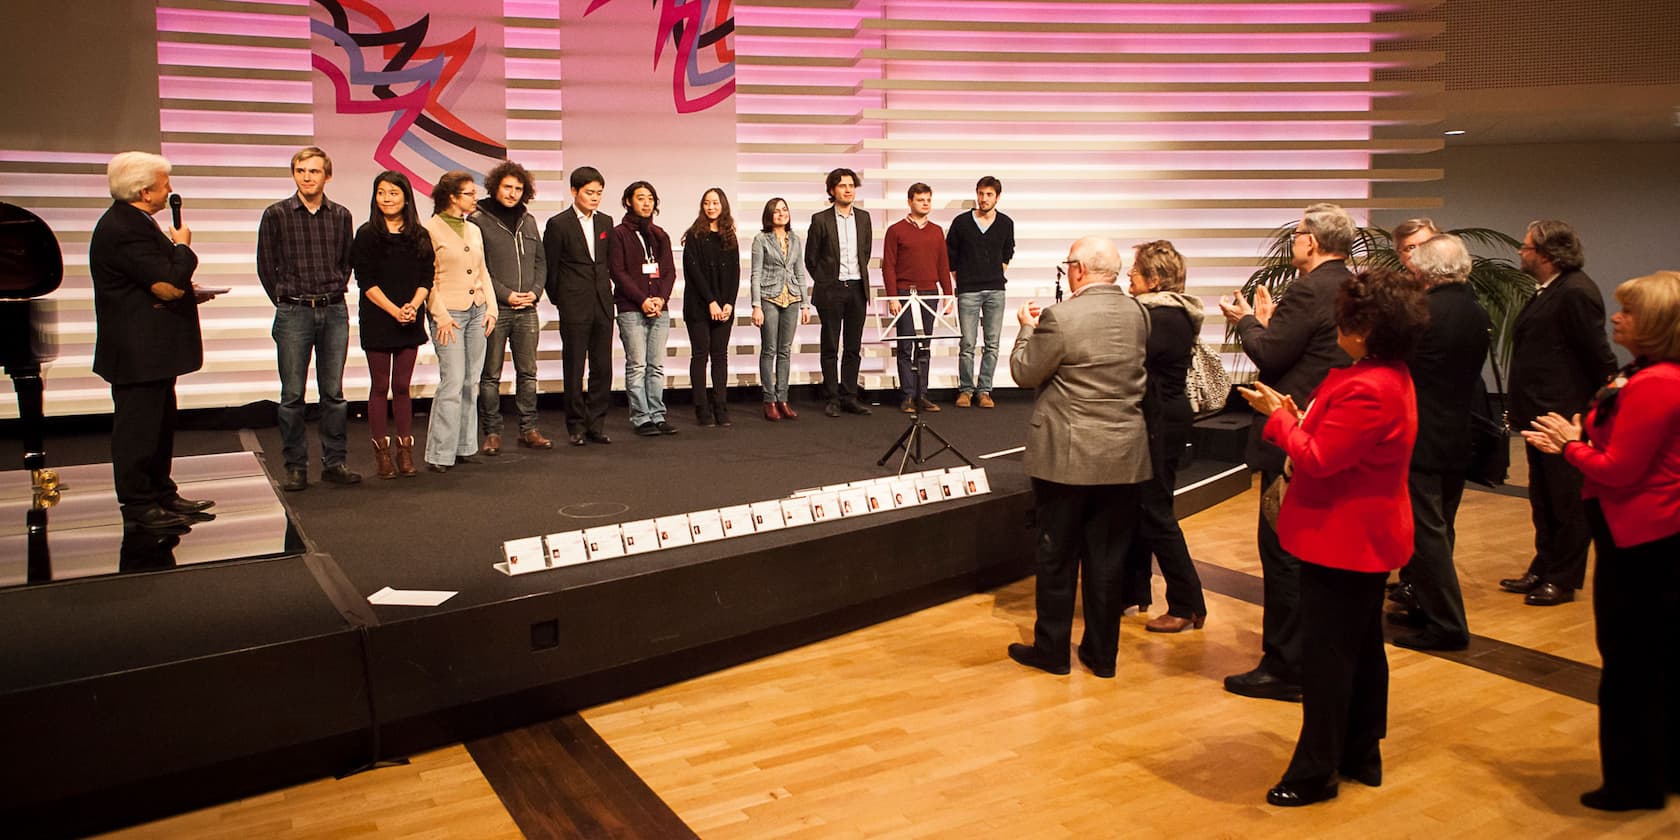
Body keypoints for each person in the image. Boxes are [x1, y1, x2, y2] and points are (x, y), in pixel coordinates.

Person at [1238, 267, 1426, 808]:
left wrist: (1279, 421)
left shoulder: (1369, 385)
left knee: (1329, 659)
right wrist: (1299, 418)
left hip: (1344, 538)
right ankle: (1361, 751)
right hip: (1357, 534)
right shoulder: (1380, 374)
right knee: (1361, 648)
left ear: (1364, 328)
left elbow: (1319, 460)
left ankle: (1317, 769)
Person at [1522, 270, 1680, 813]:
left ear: (1657, 326)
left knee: (1632, 663)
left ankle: (1633, 783)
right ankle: (1661, 768)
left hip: (1643, 538)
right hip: (1647, 534)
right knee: (1654, 658)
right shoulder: (1648, 375)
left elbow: (1619, 469)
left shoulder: (1659, 383)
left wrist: (1570, 446)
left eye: (1629, 312)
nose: (1616, 318)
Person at [1217, 202, 1355, 701]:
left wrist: (1248, 322)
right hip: (1325, 429)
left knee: (1281, 553)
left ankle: (1285, 665)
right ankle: (1301, 656)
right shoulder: (1346, 285)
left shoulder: (1310, 288)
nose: (1293, 240)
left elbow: (1272, 353)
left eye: (1297, 234)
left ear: (1312, 241)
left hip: (1294, 432)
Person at [1004, 237, 1152, 680]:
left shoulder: (1061, 317)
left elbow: (1025, 371)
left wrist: (1025, 328)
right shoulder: (1139, 315)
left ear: (1080, 270)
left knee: (1057, 556)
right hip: (1124, 454)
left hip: (1066, 457)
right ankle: (1102, 655)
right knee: (1108, 561)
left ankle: (1052, 650)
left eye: (1068, 264)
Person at [89, 151, 216, 533]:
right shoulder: (123, 228)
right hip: (137, 350)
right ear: (145, 191)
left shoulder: (138, 223)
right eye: (164, 184)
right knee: (138, 430)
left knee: (159, 425)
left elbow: (156, 283)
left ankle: (161, 490)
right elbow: (167, 286)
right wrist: (182, 248)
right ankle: (138, 502)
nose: (169, 190)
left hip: (154, 350)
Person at [1500, 220, 1618, 606]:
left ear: (1548, 254)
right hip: (1541, 411)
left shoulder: (1576, 293)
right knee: (1543, 496)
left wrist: (1595, 411)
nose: (1521, 251)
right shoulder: (1550, 290)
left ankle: (1563, 577)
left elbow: (1597, 354)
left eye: (1526, 246)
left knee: (1566, 499)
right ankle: (1544, 564)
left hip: (1563, 415)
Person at [1390, 233, 1489, 650]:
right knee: (1440, 529)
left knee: (1426, 535)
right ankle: (1425, 608)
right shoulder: (1474, 311)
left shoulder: (1424, 313)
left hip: (1422, 436)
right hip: (1456, 433)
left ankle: (1447, 624)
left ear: (1422, 269)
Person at [256, 146, 361, 491]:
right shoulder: (276, 214)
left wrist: (332, 290)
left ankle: (334, 462)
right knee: (292, 395)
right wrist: (286, 300)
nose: (307, 176)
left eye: (314, 171)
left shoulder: (341, 215)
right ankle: (296, 466)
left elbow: (347, 262)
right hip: (294, 310)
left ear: (327, 175)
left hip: (333, 309)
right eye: (301, 170)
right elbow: (265, 265)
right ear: (294, 174)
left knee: (333, 393)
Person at [1118, 240, 1209, 634]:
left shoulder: (1165, 318)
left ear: (1154, 280)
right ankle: (1136, 591)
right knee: (1143, 509)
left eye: (1134, 272)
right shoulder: (1164, 314)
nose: (1128, 278)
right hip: (1159, 420)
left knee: (1156, 513)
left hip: (1160, 423)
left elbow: (1132, 363)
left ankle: (1187, 602)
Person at [349, 171, 432, 479]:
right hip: (378, 318)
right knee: (380, 386)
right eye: (381, 193)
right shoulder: (367, 234)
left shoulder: (419, 235)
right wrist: (394, 310)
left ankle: (405, 451)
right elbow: (365, 281)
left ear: (406, 197)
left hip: (410, 317)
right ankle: (382, 454)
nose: (387, 198)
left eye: (393, 193)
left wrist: (413, 305)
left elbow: (427, 277)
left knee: (402, 387)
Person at [472, 160, 550, 454]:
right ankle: (492, 432)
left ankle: (528, 429)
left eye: (518, 188)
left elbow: (540, 261)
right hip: (496, 309)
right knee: (490, 374)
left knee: (528, 373)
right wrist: (506, 295)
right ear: (495, 187)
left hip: (527, 309)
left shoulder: (528, 220)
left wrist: (535, 291)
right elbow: (479, 268)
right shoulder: (478, 220)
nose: (513, 193)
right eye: (508, 187)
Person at [421, 171, 496, 471]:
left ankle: (464, 445)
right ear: (452, 196)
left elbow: (483, 271)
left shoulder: (474, 229)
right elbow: (427, 278)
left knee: (470, 381)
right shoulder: (430, 229)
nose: (475, 198)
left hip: (477, 309)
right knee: (451, 381)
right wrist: (439, 315)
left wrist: (491, 308)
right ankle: (440, 452)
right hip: (448, 313)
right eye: (469, 193)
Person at [543, 166, 615, 446]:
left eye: (598, 193)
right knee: (574, 366)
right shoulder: (558, 223)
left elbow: (607, 263)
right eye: (589, 192)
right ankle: (574, 424)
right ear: (574, 191)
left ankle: (596, 423)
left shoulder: (606, 222)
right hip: (574, 304)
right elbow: (551, 270)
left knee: (602, 367)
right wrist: (562, 300)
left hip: (602, 303)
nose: (595, 198)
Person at [610, 180, 677, 437]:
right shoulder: (619, 234)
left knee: (656, 365)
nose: (646, 202)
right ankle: (641, 417)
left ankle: (658, 415)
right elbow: (618, 271)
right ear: (629, 201)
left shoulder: (660, 234)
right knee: (637, 364)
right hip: (631, 308)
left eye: (650, 198)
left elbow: (669, 271)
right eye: (640, 197)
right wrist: (642, 300)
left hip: (660, 308)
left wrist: (660, 299)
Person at [805, 168, 873, 417]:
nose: (848, 189)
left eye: (851, 185)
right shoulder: (820, 219)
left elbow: (864, 253)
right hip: (831, 289)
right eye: (842, 185)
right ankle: (832, 397)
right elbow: (811, 258)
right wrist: (825, 281)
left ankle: (849, 396)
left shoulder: (864, 218)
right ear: (832, 190)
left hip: (857, 288)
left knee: (853, 347)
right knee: (831, 345)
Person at [881, 182, 952, 413]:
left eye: (928, 200)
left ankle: (923, 394)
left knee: (925, 345)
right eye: (921, 200)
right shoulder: (896, 230)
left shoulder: (936, 231)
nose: (925, 204)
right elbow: (889, 266)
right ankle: (908, 395)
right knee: (905, 344)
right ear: (910, 201)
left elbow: (943, 264)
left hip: (930, 293)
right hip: (905, 293)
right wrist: (892, 296)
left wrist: (948, 295)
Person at [946, 175, 1014, 408]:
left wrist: (995, 272)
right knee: (967, 343)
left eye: (989, 195)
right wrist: (963, 278)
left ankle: (984, 390)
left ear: (997, 197)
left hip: (996, 289)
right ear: (976, 194)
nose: (984, 199)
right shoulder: (961, 222)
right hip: (968, 290)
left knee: (992, 344)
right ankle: (965, 389)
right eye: (981, 194)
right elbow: (951, 255)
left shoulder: (1005, 223)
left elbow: (1007, 251)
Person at [682, 187, 741, 427]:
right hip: (698, 306)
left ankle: (721, 406)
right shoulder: (695, 235)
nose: (711, 207)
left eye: (715, 203)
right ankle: (702, 409)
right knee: (700, 356)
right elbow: (693, 273)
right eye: (707, 203)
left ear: (723, 205)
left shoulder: (730, 235)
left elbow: (735, 273)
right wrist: (711, 302)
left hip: (724, 307)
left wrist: (728, 303)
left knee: (720, 357)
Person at [750, 197, 810, 421]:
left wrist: (805, 303)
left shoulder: (795, 239)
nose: (781, 213)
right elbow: (755, 274)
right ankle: (770, 400)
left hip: (792, 298)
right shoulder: (761, 239)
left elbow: (800, 272)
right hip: (769, 297)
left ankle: (783, 398)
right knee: (770, 349)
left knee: (785, 351)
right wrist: (756, 305)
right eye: (776, 211)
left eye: (784, 209)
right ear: (769, 215)